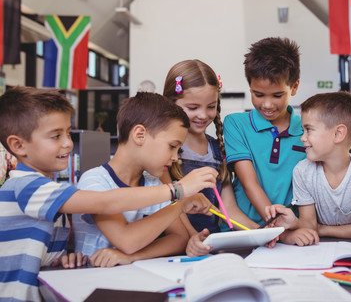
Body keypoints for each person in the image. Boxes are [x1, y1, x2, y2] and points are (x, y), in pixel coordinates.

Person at [0, 87, 214, 301]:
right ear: (18, 145)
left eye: (67, 133)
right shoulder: (27, 186)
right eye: (56, 136)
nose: (68, 142)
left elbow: (39, 253)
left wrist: (62, 259)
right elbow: (106, 203)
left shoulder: (47, 188)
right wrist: (178, 192)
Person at [72, 92, 217, 266]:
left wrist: (132, 258)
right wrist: (181, 202)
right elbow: (127, 241)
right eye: (172, 146)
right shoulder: (94, 181)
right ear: (140, 135)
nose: (174, 157)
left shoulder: (152, 183)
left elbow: (179, 238)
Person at [162, 59, 259, 256]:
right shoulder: (164, 151)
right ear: (171, 103)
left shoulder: (218, 149)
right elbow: (166, 207)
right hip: (174, 249)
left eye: (210, 106)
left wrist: (260, 232)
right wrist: (191, 238)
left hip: (210, 249)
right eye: (193, 107)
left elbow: (229, 209)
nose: (203, 115)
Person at [265, 91, 351, 246]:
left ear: (338, 134)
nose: (302, 138)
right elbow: (309, 225)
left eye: (308, 129)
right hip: (318, 250)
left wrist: (321, 229)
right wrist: (294, 222)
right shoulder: (302, 171)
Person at [223, 37, 307, 225]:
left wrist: (289, 229)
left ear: (294, 87)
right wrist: (276, 227)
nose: (267, 104)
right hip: (244, 229)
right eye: (258, 94)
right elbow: (248, 183)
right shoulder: (235, 124)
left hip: (290, 228)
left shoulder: (307, 130)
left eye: (277, 95)